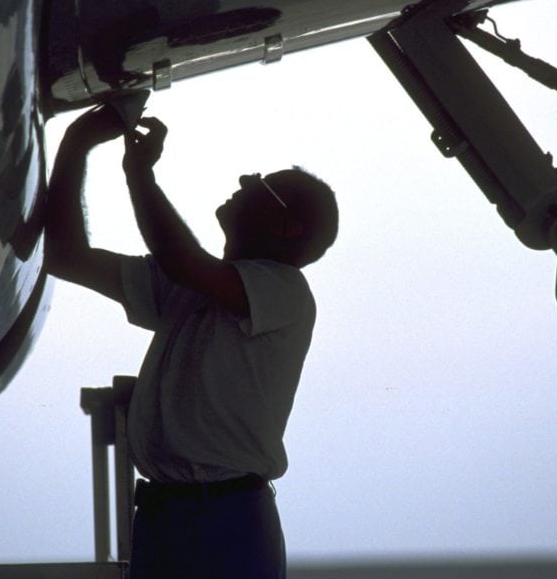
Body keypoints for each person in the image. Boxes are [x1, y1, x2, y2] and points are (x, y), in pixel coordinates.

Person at [44, 101, 339, 579]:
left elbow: (182, 260)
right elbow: (65, 255)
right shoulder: (188, 286)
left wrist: (139, 174)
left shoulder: (285, 289)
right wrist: (77, 143)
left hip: (228, 520)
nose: (245, 183)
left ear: (289, 229)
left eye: (262, 186)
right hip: (166, 514)